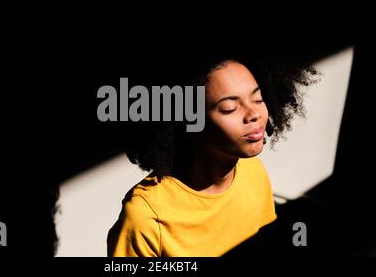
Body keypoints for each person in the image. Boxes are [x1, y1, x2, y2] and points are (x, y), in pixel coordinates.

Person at [106, 46, 318, 256]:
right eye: (229, 108)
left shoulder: (251, 170)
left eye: (258, 98)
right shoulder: (146, 217)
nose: (254, 113)